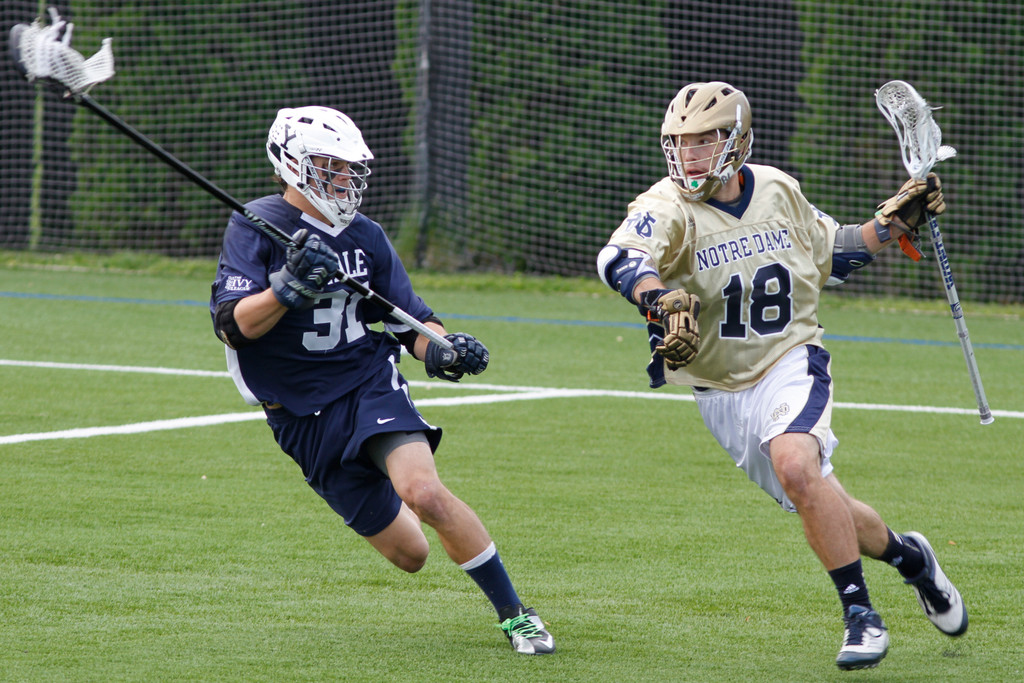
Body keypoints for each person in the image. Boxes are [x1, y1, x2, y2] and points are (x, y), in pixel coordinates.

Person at [596, 82, 966, 670]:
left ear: (737, 140)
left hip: (791, 358)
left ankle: (860, 616)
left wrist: (892, 225)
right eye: (681, 143)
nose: (690, 154)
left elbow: (832, 256)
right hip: (720, 391)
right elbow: (619, 259)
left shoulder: (776, 188)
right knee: (819, 496)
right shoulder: (665, 205)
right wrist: (656, 297)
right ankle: (912, 559)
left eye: (704, 140)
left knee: (796, 464)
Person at [209, 106, 554, 655]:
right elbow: (234, 327)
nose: (345, 179)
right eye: (331, 167)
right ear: (293, 165)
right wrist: (287, 287)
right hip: (299, 414)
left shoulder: (365, 236)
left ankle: (517, 616)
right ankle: (390, 491)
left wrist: (443, 349)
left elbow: (409, 320)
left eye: (350, 168)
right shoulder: (255, 225)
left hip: (366, 381)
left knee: (425, 493)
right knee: (410, 555)